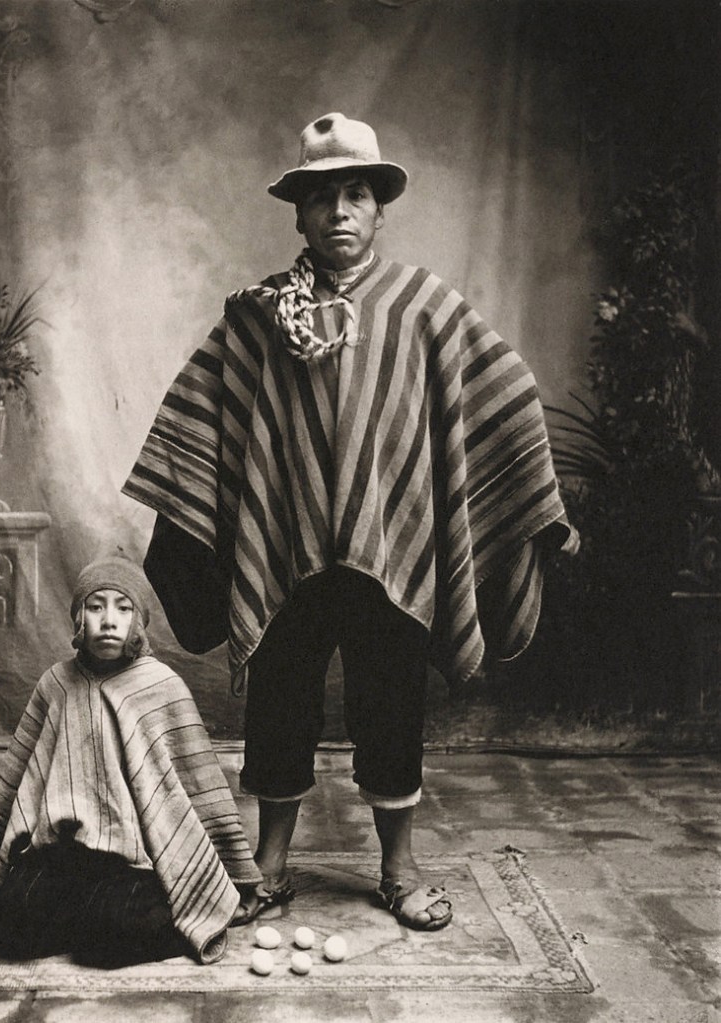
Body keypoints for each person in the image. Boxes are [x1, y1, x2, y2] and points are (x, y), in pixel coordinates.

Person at [122, 113, 573, 932]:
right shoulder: (260, 319)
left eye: (356, 194)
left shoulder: (424, 307)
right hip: (286, 545)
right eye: (322, 196)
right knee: (280, 701)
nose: (339, 211)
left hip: (390, 552)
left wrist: (534, 501)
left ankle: (399, 869)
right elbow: (200, 416)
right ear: (297, 212)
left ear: (379, 209)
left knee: (392, 703)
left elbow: (502, 391)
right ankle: (269, 864)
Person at [0, 556, 262, 965]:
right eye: (96, 607)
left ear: (138, 622)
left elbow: (201, 787)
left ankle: (91, 923)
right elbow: (16, 777)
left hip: (130, 862)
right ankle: (80, 920)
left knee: (117, 934)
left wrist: (236, 872)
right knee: (6, 932)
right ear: (79, 617)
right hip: (60, 855)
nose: (109, 620)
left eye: (123, 607)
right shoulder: (56, 684)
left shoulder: (161, 686)